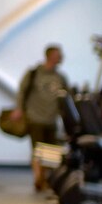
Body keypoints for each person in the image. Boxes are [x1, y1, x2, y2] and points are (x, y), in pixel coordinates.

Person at [12, 44, 68, 192]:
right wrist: (19, 109)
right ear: (50, 56)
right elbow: (22, 92)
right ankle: (38, 178)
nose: (61, 57)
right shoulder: (34, 74)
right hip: (35, 117)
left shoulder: (61, 77)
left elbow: (67, 98)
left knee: (50, 151)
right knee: (37, 150)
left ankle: (47, 178)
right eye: (58, 54)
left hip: (52, 119)